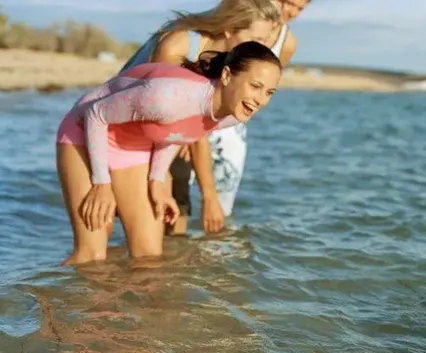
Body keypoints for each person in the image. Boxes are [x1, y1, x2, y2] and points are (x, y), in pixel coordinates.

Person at [55, 41, 283, 266]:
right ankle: (37, 300)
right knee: (92, 256)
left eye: (269, 92)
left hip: (135, 147)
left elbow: (179, 132)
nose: (261, 100)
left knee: (149, 258)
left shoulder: (232, 114)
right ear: (226, 75)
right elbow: (95, 114)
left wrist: (156, 180)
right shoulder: (167, 97)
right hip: (85, 132)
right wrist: (101, 183)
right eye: (255, 86)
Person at [121, 0, 311, 237]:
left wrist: (208, 193)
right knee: (146, 215)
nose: (262, 48)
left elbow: (200, 119)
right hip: (128, 126)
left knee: (173, 208)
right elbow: (164, 111)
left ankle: (176, 259)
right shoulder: (181, 44)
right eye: (259, 40)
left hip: (177, 126)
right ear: (230, 28)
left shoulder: (229, 58)